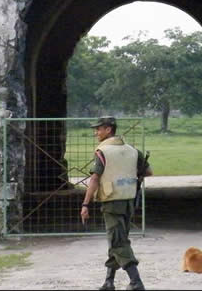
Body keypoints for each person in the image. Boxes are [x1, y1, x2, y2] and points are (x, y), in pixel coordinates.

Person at [80, 117, 152, 291]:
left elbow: (95, 178)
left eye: (98, 129)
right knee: (117, 239)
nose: (96, 132)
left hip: (111, 202)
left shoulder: (103, 152)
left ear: (108, 130)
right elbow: (148, 171)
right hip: (128, 200)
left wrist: (85, 204)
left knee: (118, 242)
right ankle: (109, 281)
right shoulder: (133, 150)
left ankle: (136, 282)